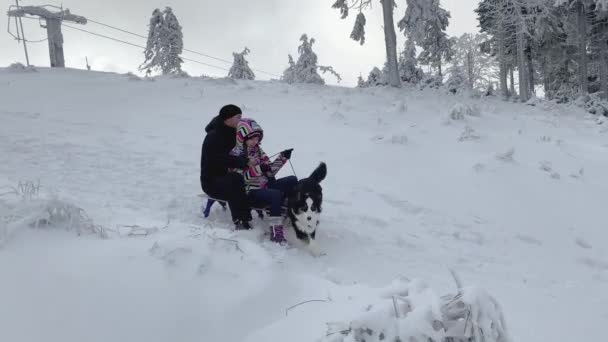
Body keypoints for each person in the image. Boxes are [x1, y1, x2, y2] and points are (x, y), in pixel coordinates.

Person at [229, 118, 297, 242]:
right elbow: (240, 179)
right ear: (242, 137)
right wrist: (259, 169)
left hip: (266, 186)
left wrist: (282, 158)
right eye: (252, 139)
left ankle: (287, 210)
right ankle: (276, 233)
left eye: (257, 139)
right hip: (250, 192)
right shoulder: (235, 154)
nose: (255, 142)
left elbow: (270, 171)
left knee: (292, 180)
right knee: (275, 194)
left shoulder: (258, 151)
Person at [200, 104, 252, 230]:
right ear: (228, 119)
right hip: (211, 181)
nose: (241, 120)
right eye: (238, 117)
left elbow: (239, 151)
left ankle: (247, 215)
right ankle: (240, 220)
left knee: (245, 179)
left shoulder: (235, 134)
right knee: (235, 180)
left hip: (227, 176)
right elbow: (217, 159)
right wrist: (241, 162)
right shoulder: (213, 136)